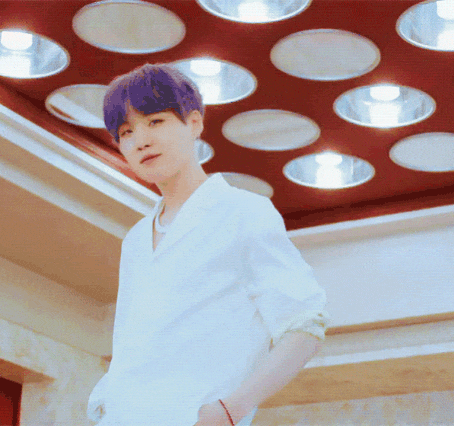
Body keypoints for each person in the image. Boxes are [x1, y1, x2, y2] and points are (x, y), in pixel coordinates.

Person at [87, 63, 329, 426]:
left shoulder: (243, 212)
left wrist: (230, 410)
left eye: (155, 121)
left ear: (194, 123)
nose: (141, 140)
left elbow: (305, 325)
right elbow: (133, 345)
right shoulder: (136, 239)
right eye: (126, 131)